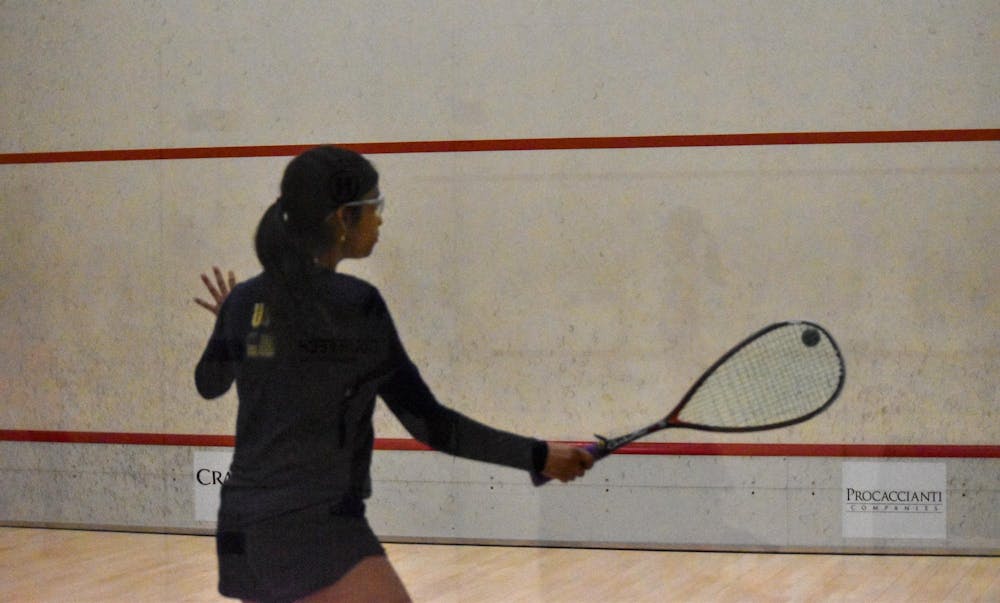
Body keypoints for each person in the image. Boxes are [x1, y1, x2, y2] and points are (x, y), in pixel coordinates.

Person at [194, 145, 593, 603]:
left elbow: (209, 384)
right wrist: (538, 456)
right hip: (312, 526)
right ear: (343, 218)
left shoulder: (244, 300)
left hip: (241, 527)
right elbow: (431, 424)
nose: (380, 220)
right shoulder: (354, 305)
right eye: (374, 206)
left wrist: (228, 326)